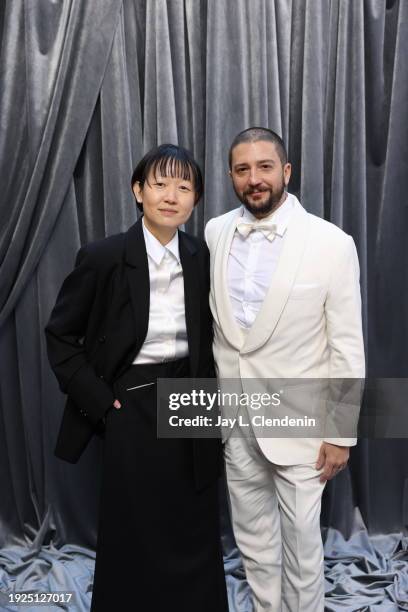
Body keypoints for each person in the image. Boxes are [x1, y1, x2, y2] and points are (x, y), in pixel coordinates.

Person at [45, 144, 229, 612]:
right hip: (131, 401)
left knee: (195, 520)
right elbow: (61, 337)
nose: (172, 195)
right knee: (135, 524)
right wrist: (103, 402)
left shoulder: (203, 256)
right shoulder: (103, 256)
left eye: (184, 186)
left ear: (196, 199)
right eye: (160, 183)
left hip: (193, 396)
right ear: (137, 191)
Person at [205, 127, 365, 611]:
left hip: (302, 428)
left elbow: (347, 347)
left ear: (286, 172)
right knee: (253, 543)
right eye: (242, 169)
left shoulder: (331, 243)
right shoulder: (215, 232)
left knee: (302, 550)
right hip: (236, 423)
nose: (254, 179)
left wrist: (340, 433)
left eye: (265, 167)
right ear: (231, 175)